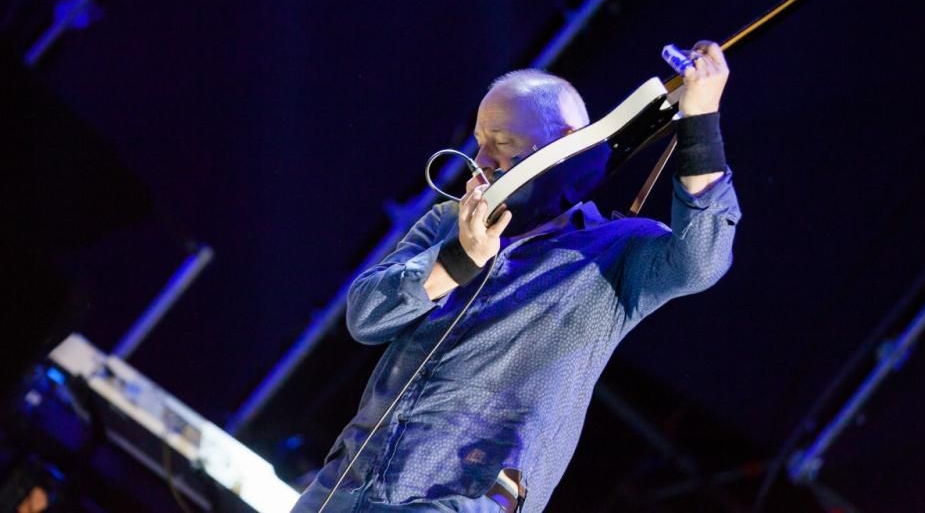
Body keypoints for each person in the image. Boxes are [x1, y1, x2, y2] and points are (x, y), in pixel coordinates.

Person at [292, 41, 740, 512]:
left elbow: (701, 259)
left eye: (501, 144)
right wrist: (458, 259)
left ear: (564, 144)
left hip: (461, 499)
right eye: (479, 143)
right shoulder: (447, 223)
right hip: (346, 487)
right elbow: (366, 316)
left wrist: (701, 126)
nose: (482, 160)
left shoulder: (615, 250)